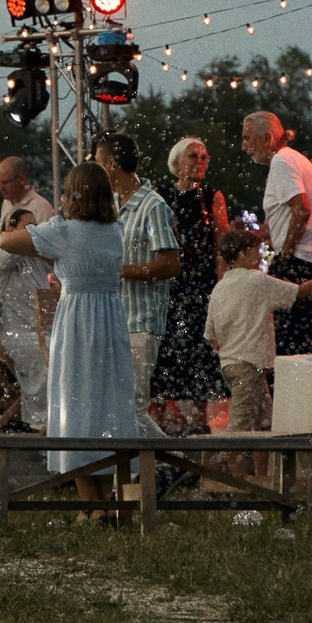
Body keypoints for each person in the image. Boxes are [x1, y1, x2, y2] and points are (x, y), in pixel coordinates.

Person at [0, 160, 133, 507]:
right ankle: (110, 499)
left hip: (77, 322)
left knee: (76, 404)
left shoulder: (62, 230)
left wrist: (29, 228)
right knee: (108, 406)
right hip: (112, 321)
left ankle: (90, 504)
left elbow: (5, 241)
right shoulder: (116, 230)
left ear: (73, 194)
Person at [206, 228, 312, 475]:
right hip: (249, 366)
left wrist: (235, 349)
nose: (261, 257)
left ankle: (262, 480)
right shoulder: (257, 281)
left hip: (233, 365)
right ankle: (240, 487)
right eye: (257, 251)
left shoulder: (219, 288)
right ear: (244, 253)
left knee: (266, 424)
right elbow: (298, 292)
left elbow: (212, 338)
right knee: (240, 430)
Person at [148, 137, 232, 435]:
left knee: (199, 360)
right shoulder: (160, 196)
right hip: (169, 288)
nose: (200, 162)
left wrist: (220, 288)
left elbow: (221, 246)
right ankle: (159, 431)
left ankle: (198, 428)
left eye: (204, 157)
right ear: (177, 163)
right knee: (163, 361)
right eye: (193, 157)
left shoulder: (212, 198)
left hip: (200, 288)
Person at [97, 133, 179, 429]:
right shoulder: (114, 206)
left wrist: (120, 271)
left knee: (131, 408)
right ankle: (143, 470)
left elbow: (170, 264)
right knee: (118, 407)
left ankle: (173, 465)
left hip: (141, 321)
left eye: (97, 162)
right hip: (114, 319)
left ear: (111, 163)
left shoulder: (153, 206)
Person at [243, 112, 312, 358]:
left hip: (303, 259)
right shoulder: (291, 159)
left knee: (285, 346)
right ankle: (291, 393)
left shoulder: (282, 162)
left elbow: (301, 209)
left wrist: (286, 252)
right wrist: (258, 234)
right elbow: (286, 214)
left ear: (266, 138)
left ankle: (288, 395)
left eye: (247, 138)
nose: (244, 146)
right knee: (293, 342)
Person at [0, 204, 48, 428]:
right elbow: (11, 252)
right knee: (45, 353)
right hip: (11, 332)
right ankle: (39, 420)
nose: (34, 234)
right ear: (11, 230)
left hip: (41, 329)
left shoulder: (36, 259)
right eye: (28, 228)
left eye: (36, 228)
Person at [0, 155, 58, 353]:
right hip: (9, 304)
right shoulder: (6, 205)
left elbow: (52, 253)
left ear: (22, 179)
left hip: (36, 297)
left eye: (5, 182)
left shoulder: (40, 208)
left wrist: (25, 239)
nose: (1, 187)